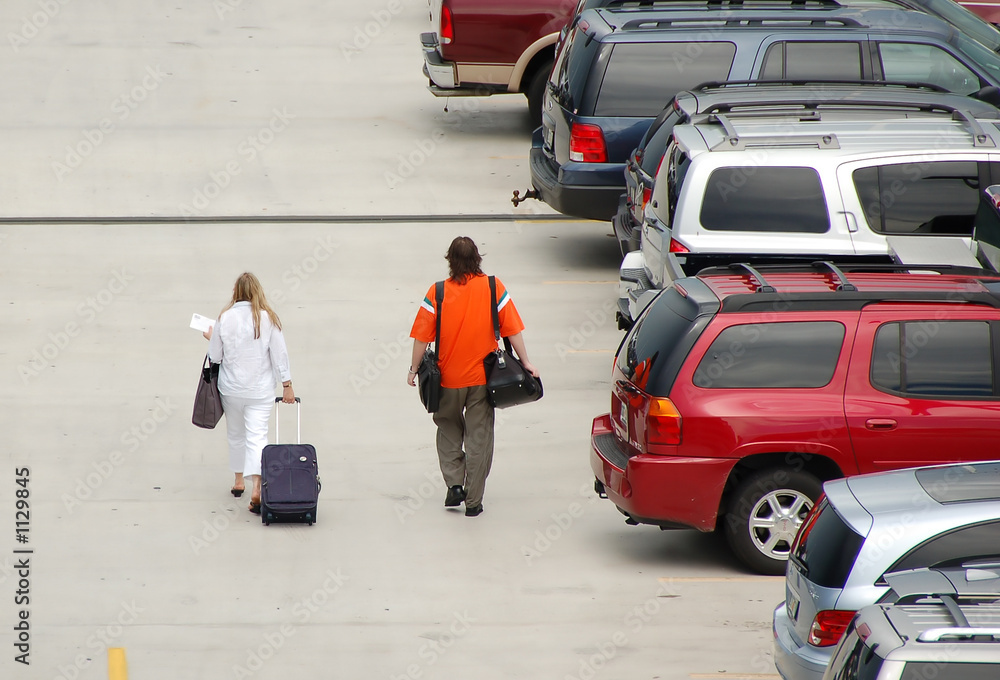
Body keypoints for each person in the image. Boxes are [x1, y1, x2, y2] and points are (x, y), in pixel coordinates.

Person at [407, 237, 538, 517]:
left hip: (448, 381)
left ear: (450, 260)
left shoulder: (437, 292)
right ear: (478, 258)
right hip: (483, 381)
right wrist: (526, 362)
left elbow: (420, 338)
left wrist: (412, 369)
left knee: (448, 430)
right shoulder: (493, 287)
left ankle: (455, 484)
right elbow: (512, 330)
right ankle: (474, 502)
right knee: (479, 438)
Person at [204, 272, 295, 514]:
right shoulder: (268, 318)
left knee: (236, 435)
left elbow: (215, 357)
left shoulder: (225, 317)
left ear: (236, 291)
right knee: (257, 436)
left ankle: (237, 482)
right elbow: (280, 355)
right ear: (258, 291)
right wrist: (286, 385)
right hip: (260, 390)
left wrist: (212, 336)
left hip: (231, 388)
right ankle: (257, 485)